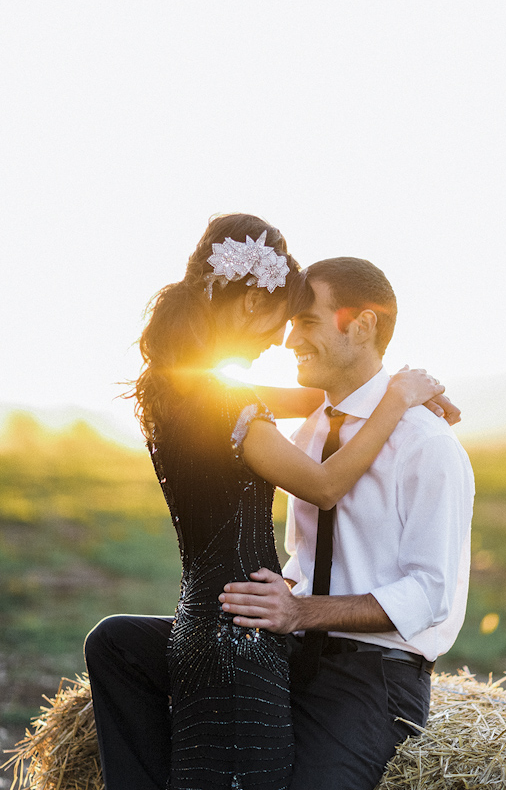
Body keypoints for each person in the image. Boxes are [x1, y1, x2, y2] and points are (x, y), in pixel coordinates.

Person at [85, 213, 449, 790]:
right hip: (244, 638)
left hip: (201, 621)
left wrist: (393, 391)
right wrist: (397, 398)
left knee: (113, 642)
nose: (280, 341)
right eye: (284, 320)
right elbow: (325, 486)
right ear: (252, 300)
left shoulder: (173, 384)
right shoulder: (230, 405)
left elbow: (317, 393)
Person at [219, 257, 475, 790]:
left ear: (362, 325)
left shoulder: (428, 445)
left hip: (375, 676)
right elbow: (307, 558)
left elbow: (429, 595)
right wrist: (278, 595)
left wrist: (298, 611)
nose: (289, 340)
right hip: (295, 652)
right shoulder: (311, 433)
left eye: (307, 321)